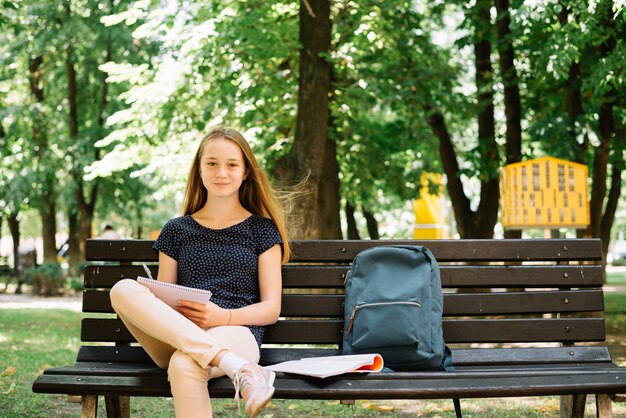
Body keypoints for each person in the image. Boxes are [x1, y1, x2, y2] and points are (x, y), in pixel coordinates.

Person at [109, 126, 290, 418]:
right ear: (200, 170)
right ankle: (238, 368)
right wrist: (179, 311)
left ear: (245, 172)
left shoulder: (262, 230)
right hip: (178, 335)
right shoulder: (176, 230)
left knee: (185, 364)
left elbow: (272, 308)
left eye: (232, 164)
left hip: (237, 333)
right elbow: (163, 299)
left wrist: (222, 317)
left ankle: (234, 361)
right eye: (212, 163)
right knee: (122, 289)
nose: (221, 172)